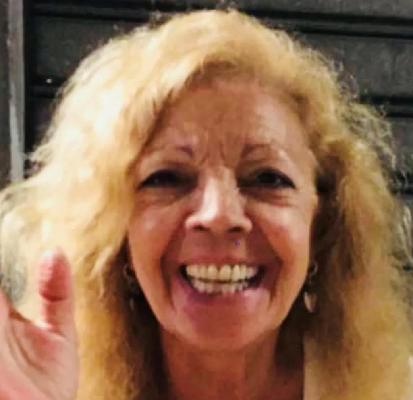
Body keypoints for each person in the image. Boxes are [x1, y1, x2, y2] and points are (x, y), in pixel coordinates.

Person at [0, 8, 412, 400]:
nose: (219, 215)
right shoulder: (51, 386)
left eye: (267, 178)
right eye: (167, 178)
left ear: (320, 223)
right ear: (114, 230)